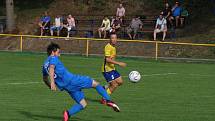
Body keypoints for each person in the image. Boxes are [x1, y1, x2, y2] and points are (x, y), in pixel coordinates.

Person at [42, 43, 120, 121]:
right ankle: (108, 100)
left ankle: (68, 113)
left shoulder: (44, 65)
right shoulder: (53, 58)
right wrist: (52, 83)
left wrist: (50, 86)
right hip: (73, 80)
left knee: (83, 104)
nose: (59, 55)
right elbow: (52, 68)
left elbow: (45, 78)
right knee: (95, 84)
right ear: (52, 52)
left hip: (67, 87)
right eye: (58, 53)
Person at [101, 34, 127, 104]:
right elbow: (107, 60)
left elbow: (112, 59)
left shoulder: (114, 47)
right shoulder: (108, 47)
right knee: (114, 85)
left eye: (115, 38)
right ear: (110, 39)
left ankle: (105, 87)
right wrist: (119, 63)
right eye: (112, 38)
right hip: (107, 70)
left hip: (112, 69)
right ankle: (104, 98)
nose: (114, 39)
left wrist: (115, 65)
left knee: (120, 82)